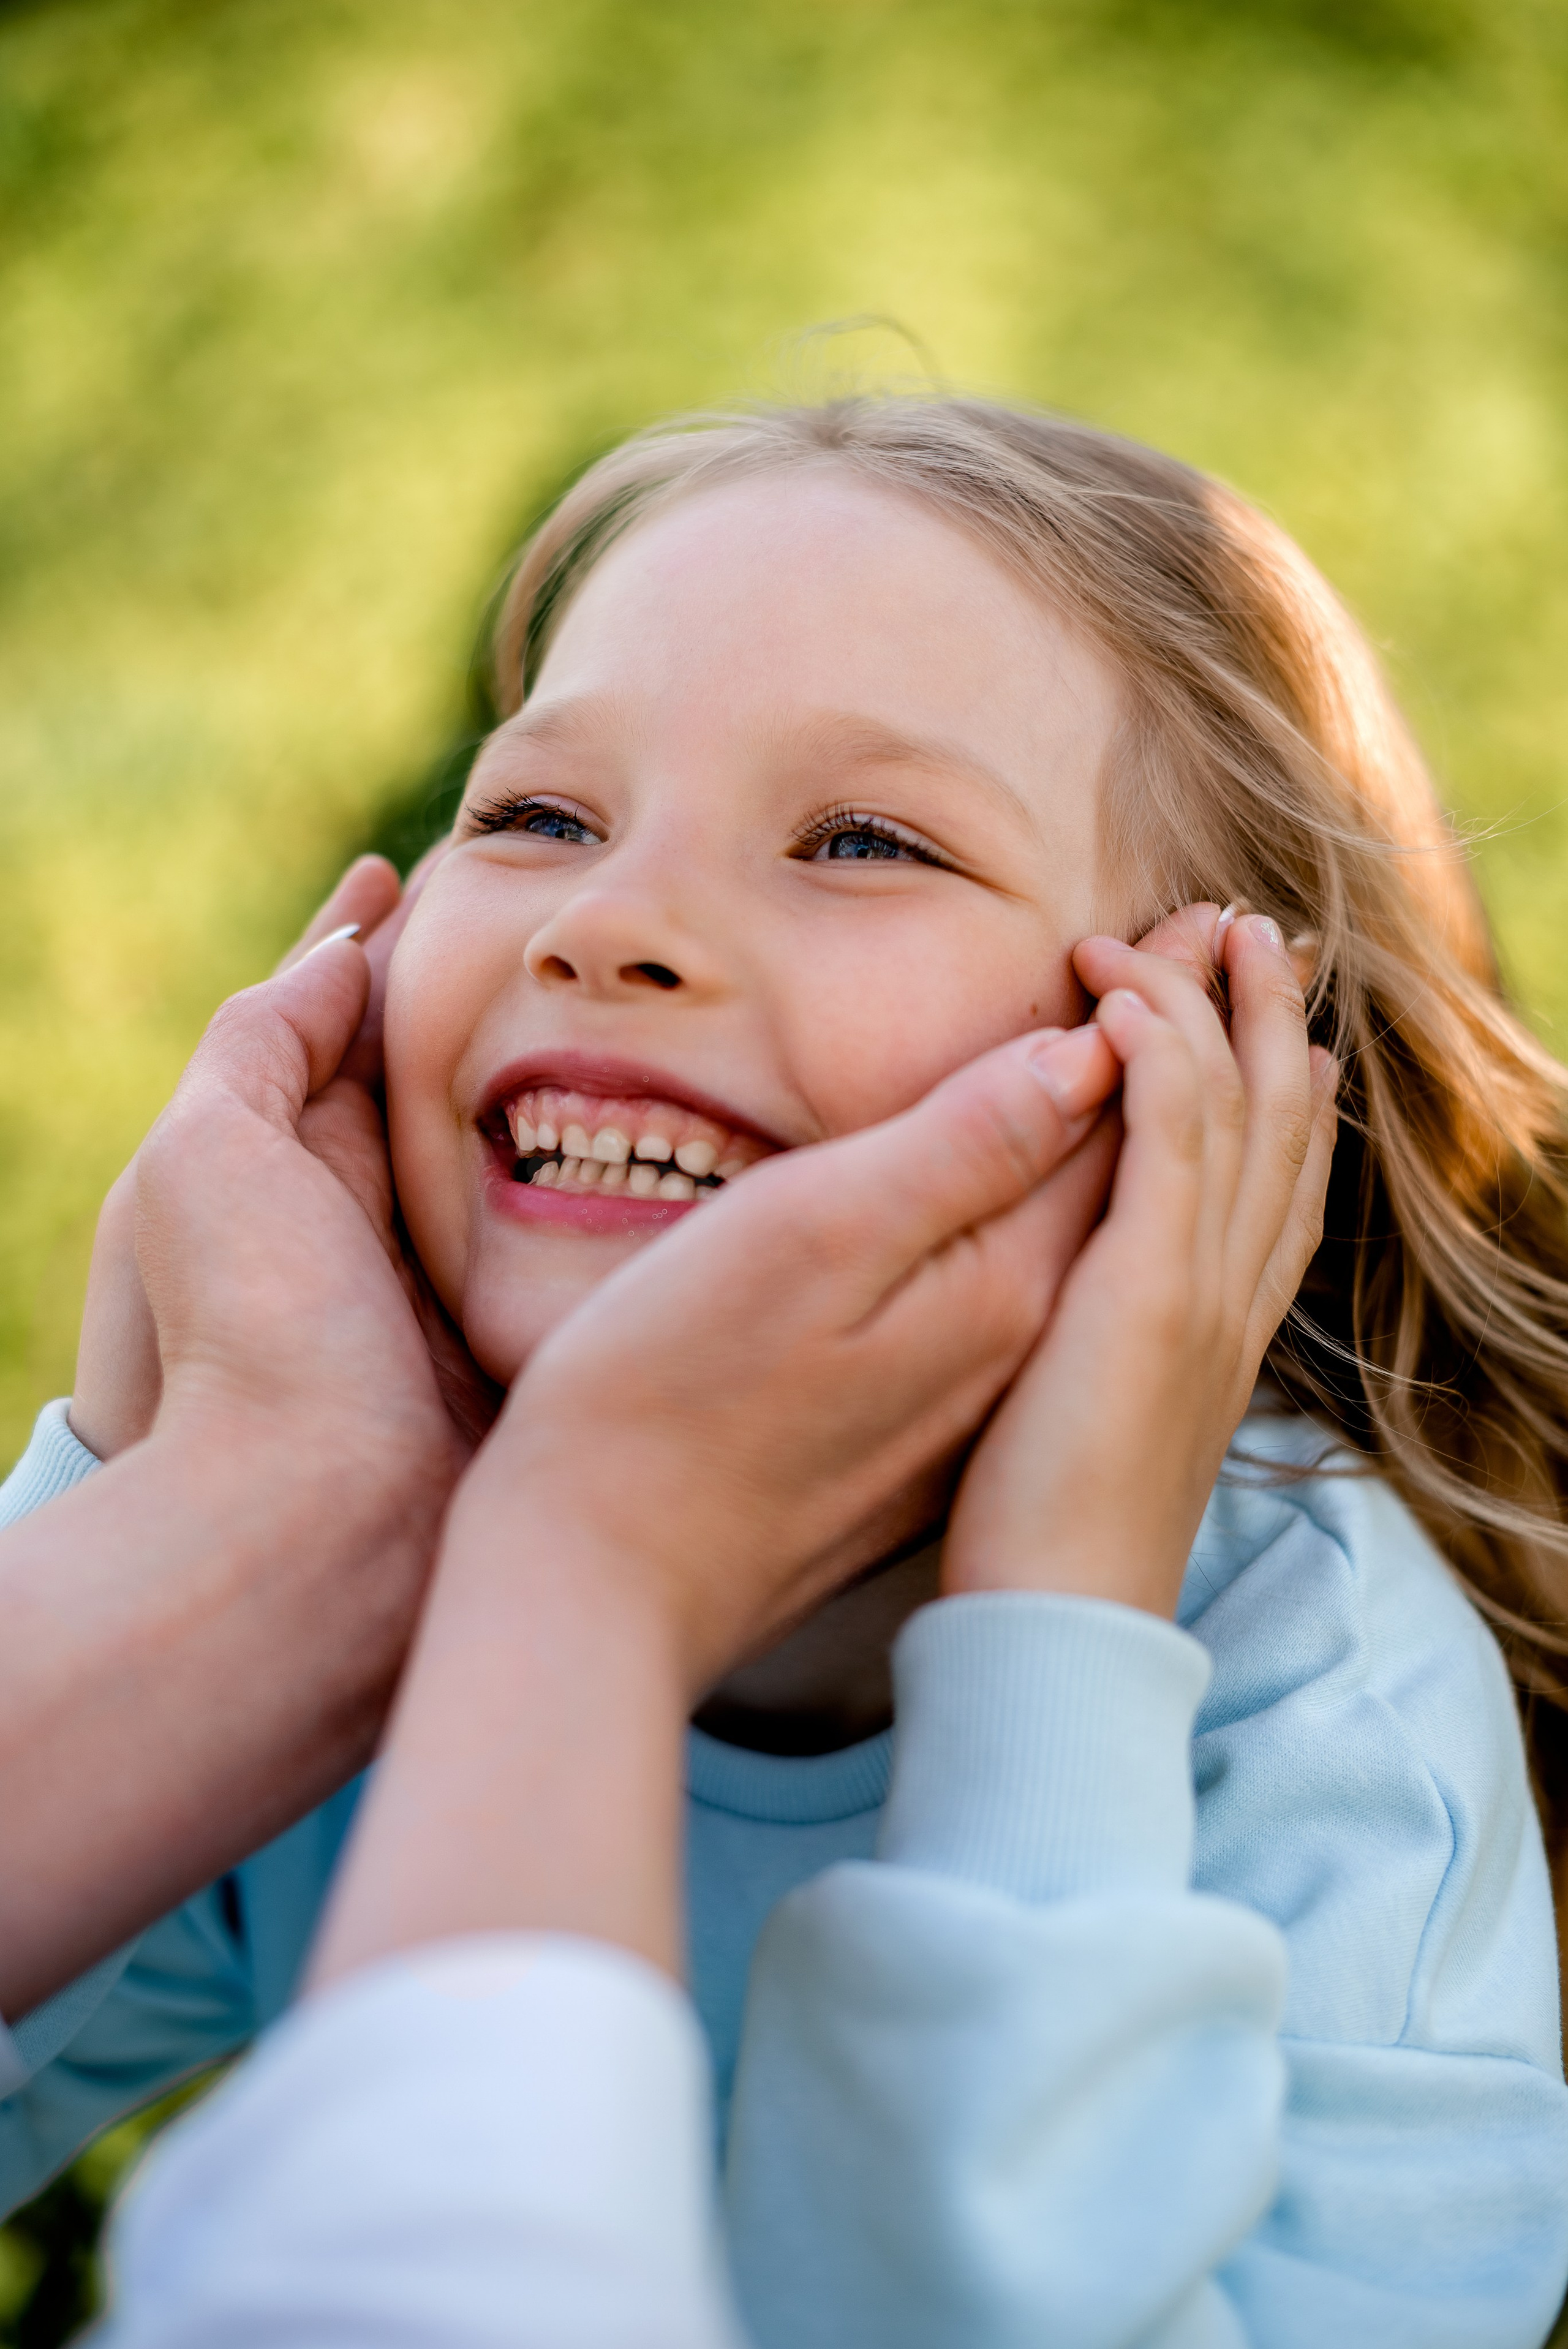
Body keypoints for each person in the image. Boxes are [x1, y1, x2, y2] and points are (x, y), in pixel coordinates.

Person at [6, 391, 1568, 2348]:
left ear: (1221, 1079)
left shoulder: (1329, 1736)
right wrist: (158, 1509)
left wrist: (1050, 1641)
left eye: (862, 838)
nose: (611, 922)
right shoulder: (363, 1543)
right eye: (535, 815)